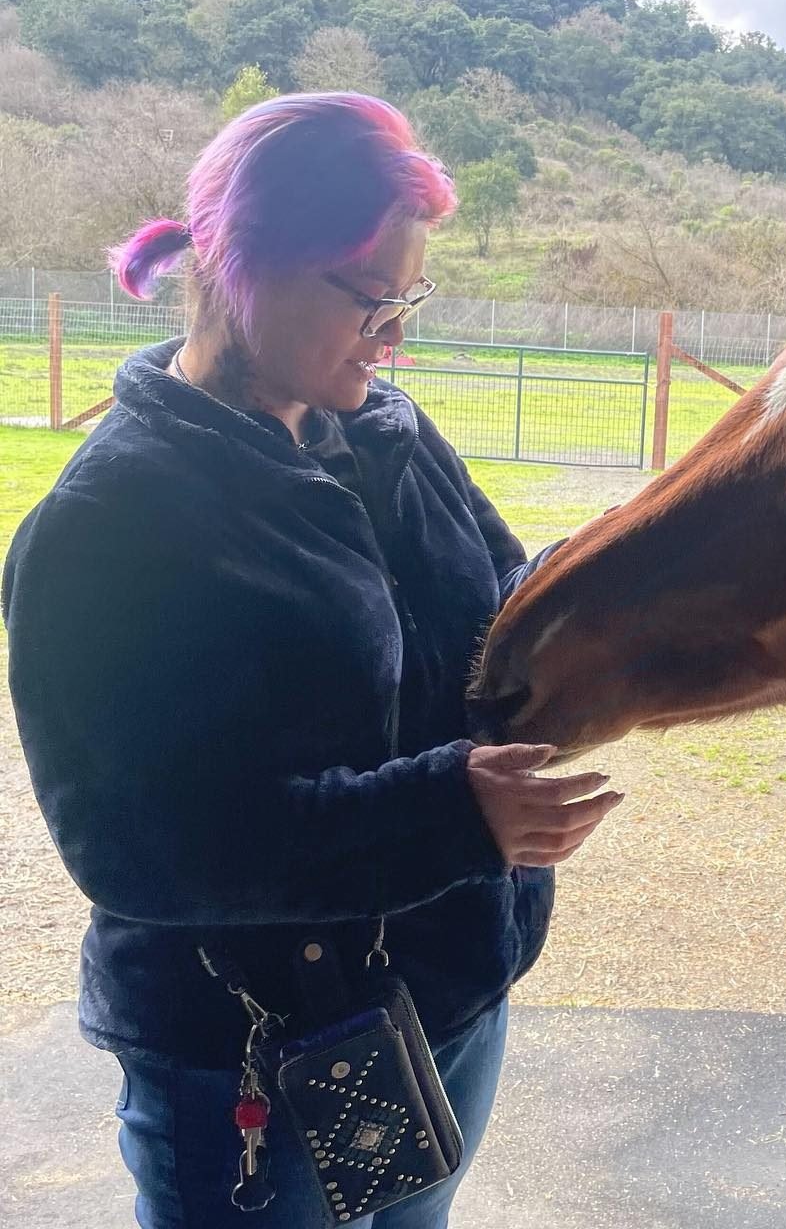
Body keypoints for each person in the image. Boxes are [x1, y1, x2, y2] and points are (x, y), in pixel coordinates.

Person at [2, 93, 622, 1227]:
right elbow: (145, 851)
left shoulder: (389, 429)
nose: (395, 336)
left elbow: (502, 614)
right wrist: (456, 817)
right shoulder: (109, 526)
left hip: (443, 1005)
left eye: (409, 297)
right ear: (243, 263)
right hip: (253, 1065)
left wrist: (647, 581)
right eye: (368, 298)